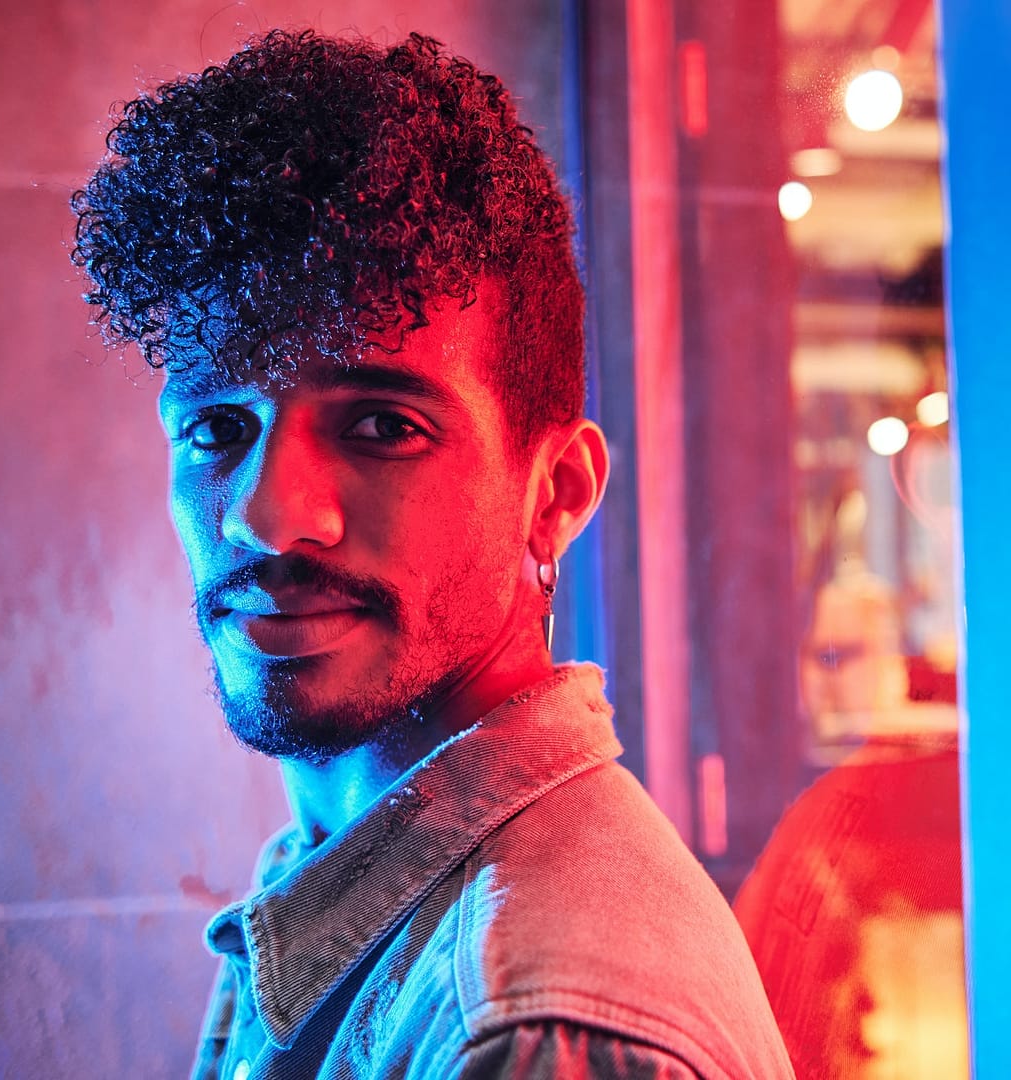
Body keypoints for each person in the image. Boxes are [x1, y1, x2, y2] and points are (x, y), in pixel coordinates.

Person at [71, 28, 793, 1080]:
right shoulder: (355, 887)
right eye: (219, 430)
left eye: (381, 427)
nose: (268, 519)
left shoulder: (534, 1033)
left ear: (556, 497)